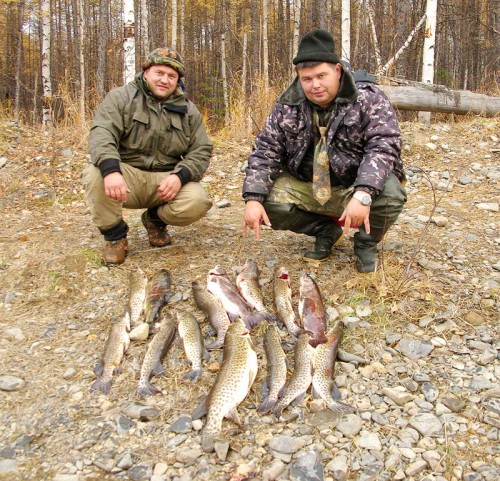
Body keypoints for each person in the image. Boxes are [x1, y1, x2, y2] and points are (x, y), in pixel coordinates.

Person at [242, 29, 407, 273]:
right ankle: (325, 230)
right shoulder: (287, 104)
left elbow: (383, 146)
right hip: (308, 184)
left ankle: (365, 243)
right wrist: (253, 198)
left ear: (337, 70)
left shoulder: (368, 99)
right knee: (264, 199)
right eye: (307, 79)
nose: (315, 85)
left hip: (354, 184)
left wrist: (363, 193)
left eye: (321, 75)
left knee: (392, 193)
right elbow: (266, 149)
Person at [82, 47, 213, 265]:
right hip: (127, 177)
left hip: (164, 181)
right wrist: (112, 170)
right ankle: (115, 237)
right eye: (159, 73)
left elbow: (201, 150)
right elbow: (102, 134)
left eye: (172, 76)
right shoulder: (120, 97)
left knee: (198, 200)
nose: (165, 80)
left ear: (178, 80)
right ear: (146, 72)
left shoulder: (188, 110)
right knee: (95, 174)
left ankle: (154, 219)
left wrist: (179, 176)